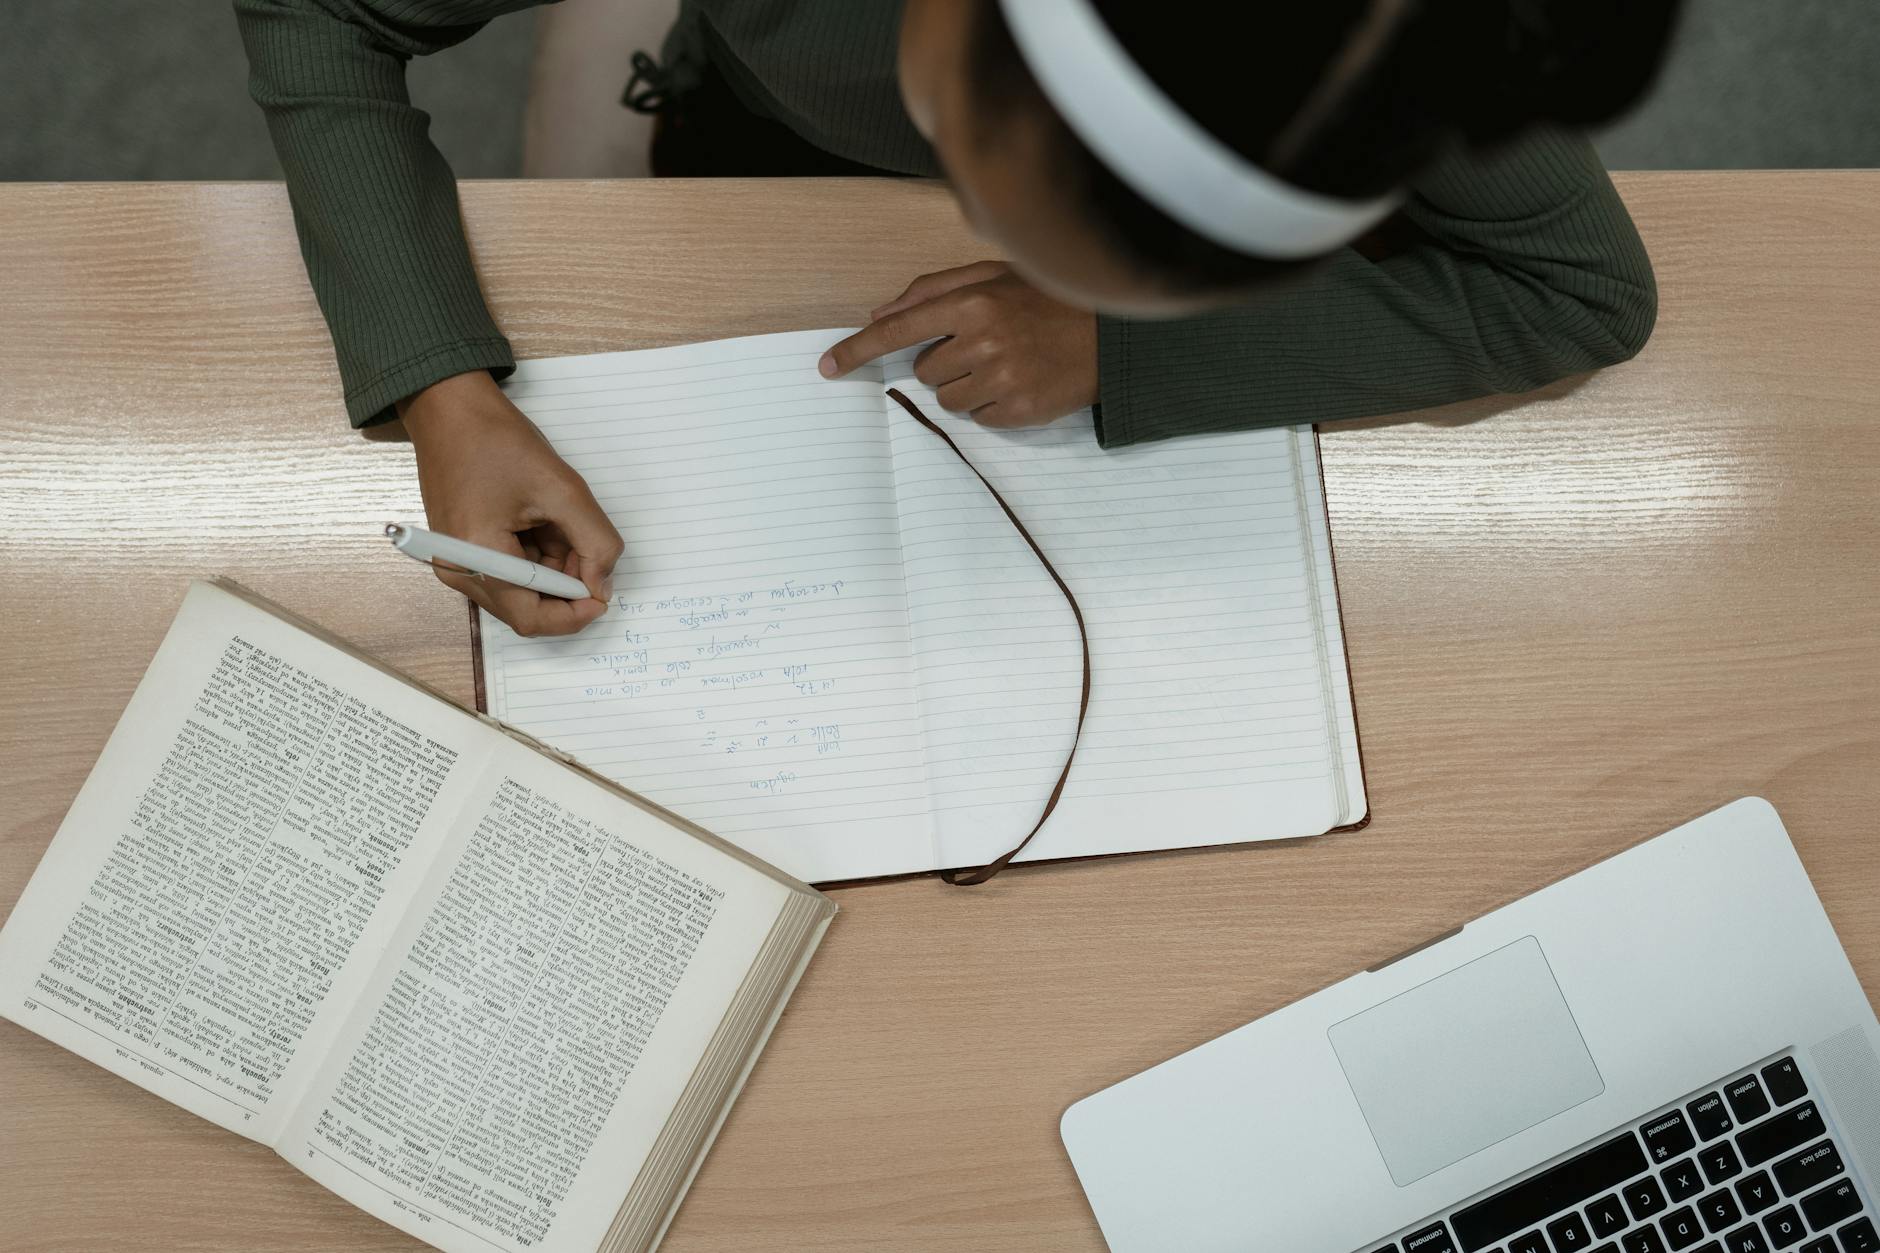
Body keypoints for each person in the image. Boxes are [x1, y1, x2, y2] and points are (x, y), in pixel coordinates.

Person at [235, 0, 1679, 637]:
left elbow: (1577, 281)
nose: (974, 242)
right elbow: (319, 5)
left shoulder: (1390, 36)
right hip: (766, 106)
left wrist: (1126, 348)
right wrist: (440, 383)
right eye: (997, 188)